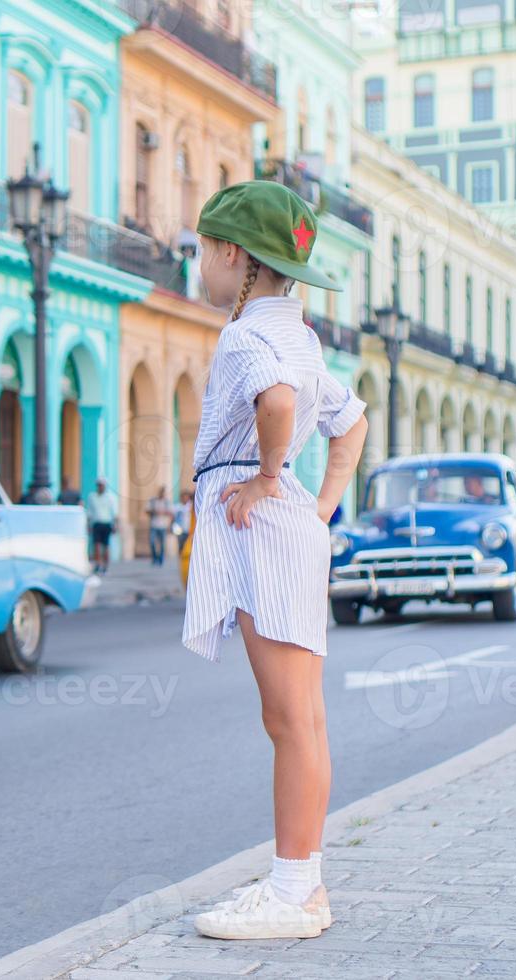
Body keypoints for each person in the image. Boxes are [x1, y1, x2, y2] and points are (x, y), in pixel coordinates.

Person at [180, 182, 368, 940]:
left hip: (265, 528)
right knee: (302, 719)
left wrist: (265, 480)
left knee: (290, 721)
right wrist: (318, 507)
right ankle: (301, 886)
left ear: (234, 255)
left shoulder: (246, 337)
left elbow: (280, 405)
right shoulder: (303, 336)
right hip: (290, 528)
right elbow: (351, 425)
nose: (199, 265)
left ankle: (295, 894)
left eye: (201, 251)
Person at [84, 477, 118, 575]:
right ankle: (98, 564)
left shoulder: (110, 497)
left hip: (107, 523)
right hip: (96, 523)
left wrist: (115, 525)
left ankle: (105, 566)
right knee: (96, 546)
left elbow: (114, 513)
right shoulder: (92, 497)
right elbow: (89, 511)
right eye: (99, 485)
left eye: (102, 485)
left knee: (106, 546)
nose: (100, 487)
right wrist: (88, 524)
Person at [145, 486, 174, 566]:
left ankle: (161, 559)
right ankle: (154, 558)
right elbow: (147, 510)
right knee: (152, 542)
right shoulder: (153, 501)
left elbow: (171, 513)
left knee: (162, 544)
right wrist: (154, 511)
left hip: (163, 526)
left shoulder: (167, 502)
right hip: (154, 525)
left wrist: (164, 513)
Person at [173, 488, 195, 555]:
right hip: (180, 530)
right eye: (184, 497)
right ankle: (181, 559)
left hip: (189, 529)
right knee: (181, 545)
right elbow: (173, 517)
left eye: (186, 497)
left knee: (190, 546)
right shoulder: (177, 506)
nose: (185, 498)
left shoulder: (191, 506)